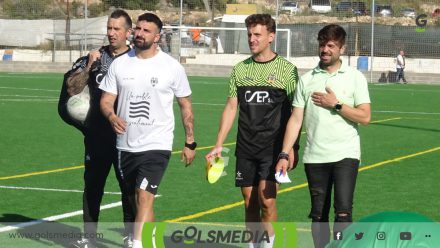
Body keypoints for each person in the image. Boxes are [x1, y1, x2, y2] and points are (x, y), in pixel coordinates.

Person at [99, 13, 196, 248]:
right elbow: (105, 100)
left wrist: (190, 141)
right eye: (138, 29)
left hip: (157, 144)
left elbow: (185, 105)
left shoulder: (171, 67)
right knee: (138, 200)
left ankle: (137, 243)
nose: (140, 34)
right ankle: (151, 241)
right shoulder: (120, 64)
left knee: (144, 195)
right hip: (125, 144)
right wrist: (111, 116)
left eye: (146, 30)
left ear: (157, 36)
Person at [205, 14, 299, 248]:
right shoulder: (240, 70)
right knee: (249, 202)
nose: (252, 39)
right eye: (249, 34)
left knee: (266, 202)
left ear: (271, 36)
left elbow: (296, 113)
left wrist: (291, 149)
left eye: (257, 34)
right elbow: (231, 107)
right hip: (246, 147)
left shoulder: (287, 71)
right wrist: (218, 144)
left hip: (273, 149)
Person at [275, 24, 371, 248]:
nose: (325, 49)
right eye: (322, 45)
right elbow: (296, 119)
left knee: (343, 213)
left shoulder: (355, 77)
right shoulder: (307, 80)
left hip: (346, 155)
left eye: (331, 45)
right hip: (315, 157)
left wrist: (336, 104)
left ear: (342, 49)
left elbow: (365, 117)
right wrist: (284, 152)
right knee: (318, 216)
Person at [58, 9, 135, 248]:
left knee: (129, 189)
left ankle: (131, 237)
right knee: (92, 186)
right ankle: (89, 238)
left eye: (117, 29)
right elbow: (71, 88)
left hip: (127, 136)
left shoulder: (137, 60)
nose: (111, 33)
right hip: (97, 136)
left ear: (128, 32)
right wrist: (89, 66)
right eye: (109, 28)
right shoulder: (94, 57)